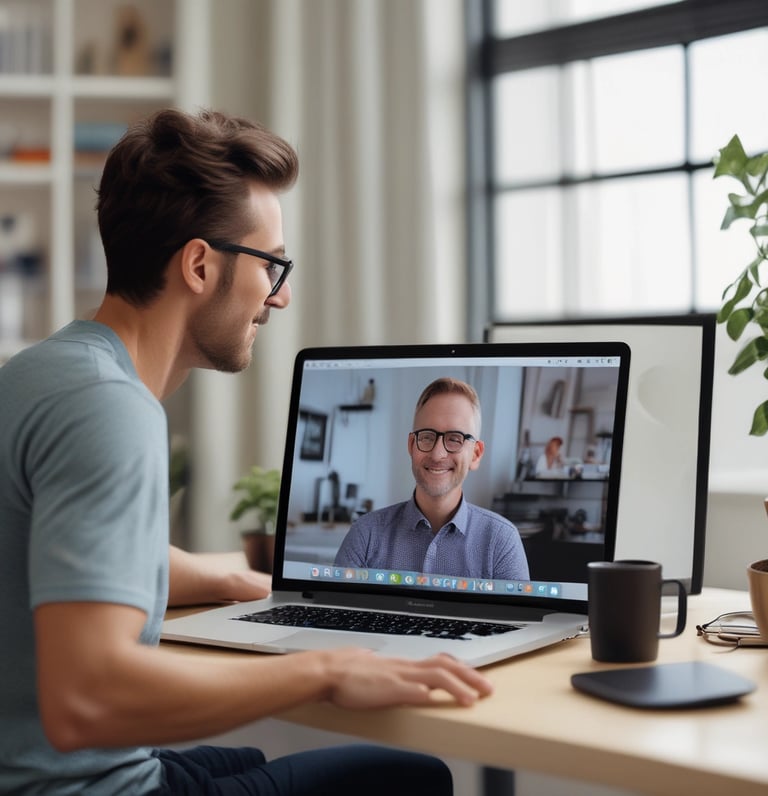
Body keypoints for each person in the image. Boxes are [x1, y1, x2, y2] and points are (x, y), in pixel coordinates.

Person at [0, 109, 492, 796]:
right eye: (273, 266)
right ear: (200, 265)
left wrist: (231, 582)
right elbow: (84, 699)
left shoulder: (40, 372)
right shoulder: (112, 410)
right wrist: (323, 670)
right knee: (410, 779)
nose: (281, 296)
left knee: (250, 762)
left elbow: (60, 544)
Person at [335, 377, 530, 580]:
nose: (437, 455)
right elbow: (337, 608)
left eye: (455, 439)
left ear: (476, 454)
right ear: (411, 445)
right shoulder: (365, 533)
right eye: (427, 436)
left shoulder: (502, 541)